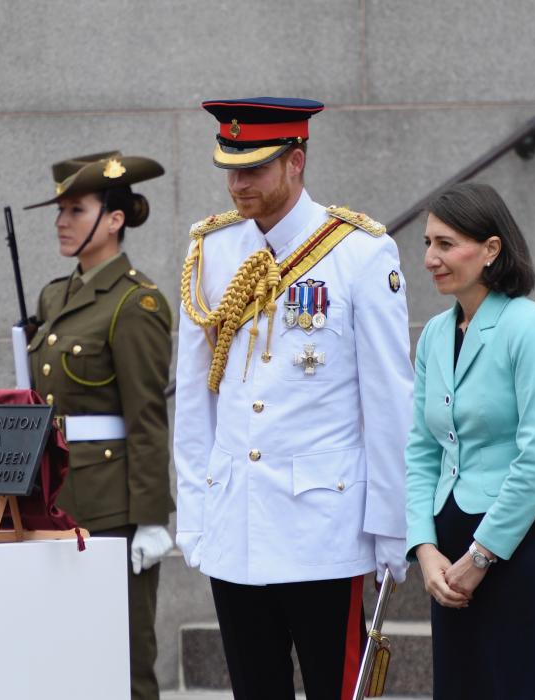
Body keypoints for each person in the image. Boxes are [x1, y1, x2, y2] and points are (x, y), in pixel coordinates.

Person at [174, 97, 413, 700]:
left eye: (253, 168)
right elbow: (197, 401)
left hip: (323, 532)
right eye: (230, 168)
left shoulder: (360, 253)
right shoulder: (211, 251)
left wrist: (392, 529)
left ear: (295, 162)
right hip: (236, 526)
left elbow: (389, 401)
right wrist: (196, 514)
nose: (237, 183)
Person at [405, 182, 535, 699]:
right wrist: (425, 546)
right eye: (427, 243)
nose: (431, 258)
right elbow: (421, 448)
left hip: (522, 541)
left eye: (446, 244)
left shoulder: (531, 328)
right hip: (451, 541)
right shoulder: (435, 333)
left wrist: (481, 557)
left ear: (491, 250)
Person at [23, 152, 175, 700]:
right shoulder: (54, 296)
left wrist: (151, 517)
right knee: (60, 656)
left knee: (123, 660)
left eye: (76, 208)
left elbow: (147, 417)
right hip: (50, 498)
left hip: (110, 508)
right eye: (60, 209)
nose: (61, 221)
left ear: (114, 219)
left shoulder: (136, 303)